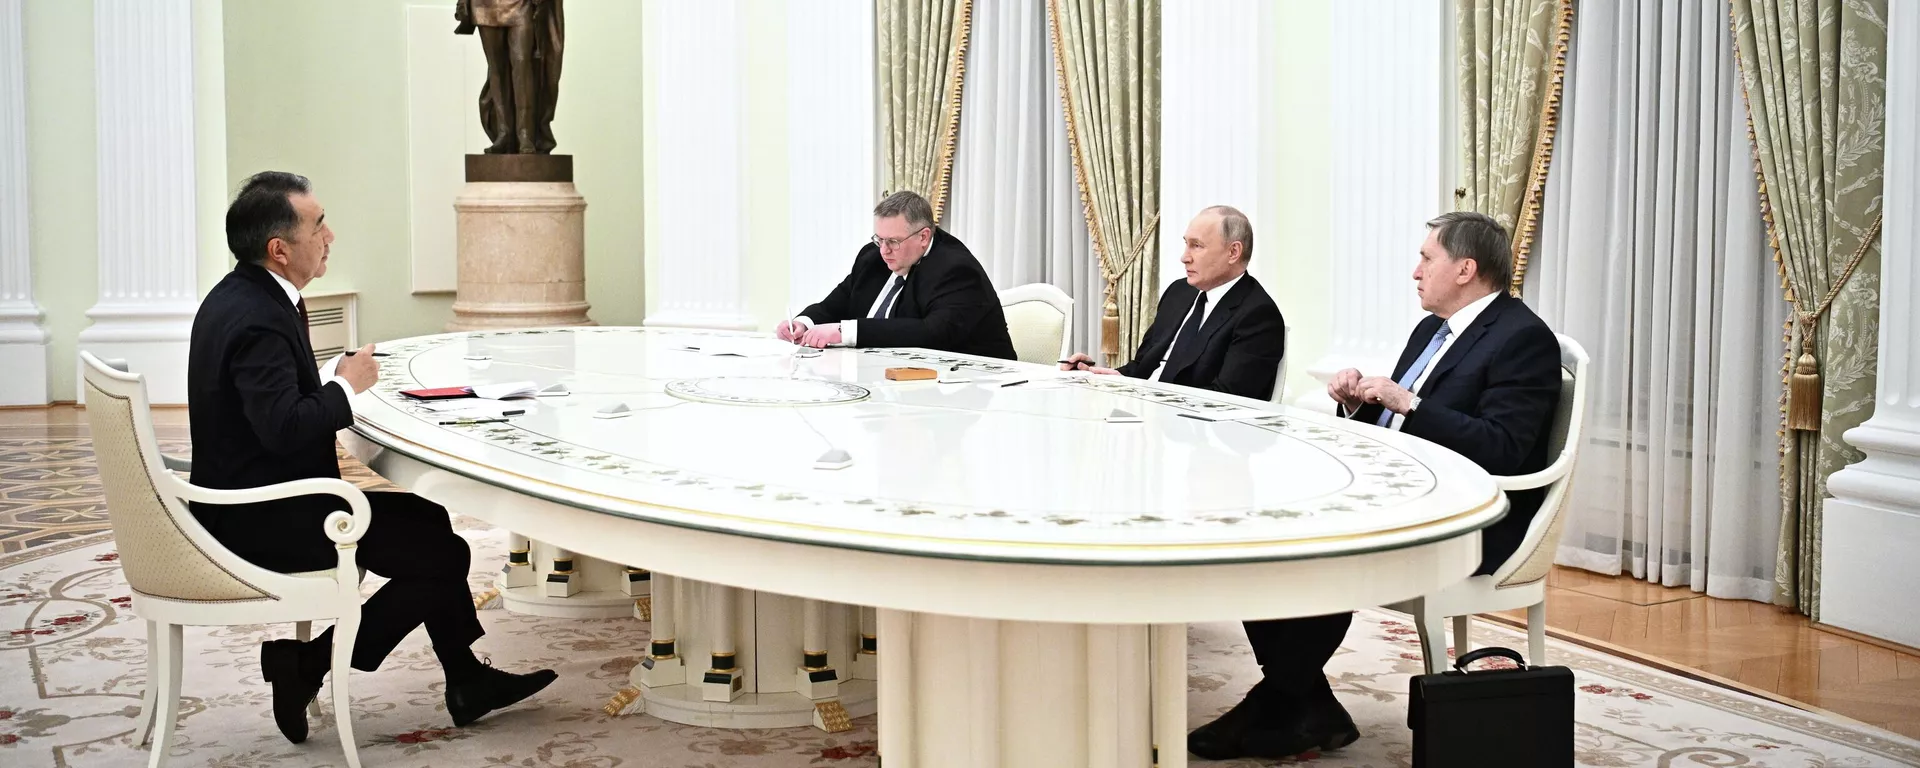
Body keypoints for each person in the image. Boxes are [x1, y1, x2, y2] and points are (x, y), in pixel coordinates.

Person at [187, 171, 556, 744]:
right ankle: (306, 665)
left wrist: (330, 380)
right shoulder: (259, 317)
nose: (329, 235)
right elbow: (284, 428)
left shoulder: (246, 295)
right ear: (279, 249)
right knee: (442, 555)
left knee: (429, 520)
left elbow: (269, 407)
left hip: (255, 496)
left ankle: (465, 679)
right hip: (260, 518)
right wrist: (345, 386)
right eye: (318, 225)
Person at [1187, 211, 1563, 761]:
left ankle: (1277, 704)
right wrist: (1357, 403)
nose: (1416, 271)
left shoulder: (1523, 338)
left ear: (1465, 269)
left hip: (1472, 518)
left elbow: (1502, 447)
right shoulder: (1432, 329)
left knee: (1327, 551)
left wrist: (1407, 401)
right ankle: (1303, 702)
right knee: (1263, 533)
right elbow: (1400, 427)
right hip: (1407, 493)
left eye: (1426, 258)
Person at [1059, 206, 1284, 399]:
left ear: (1233, 252)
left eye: (1197, 246)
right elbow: (1143, 366)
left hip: (1189, 428)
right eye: (1186, 244)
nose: (1184, 257)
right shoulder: (1179, 292)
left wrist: (1146, 398)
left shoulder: (1258, 315)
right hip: (1142, 408)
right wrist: (1102, 376)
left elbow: (1227, 401)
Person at [777, 191, 1017, 360]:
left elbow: (932, 333)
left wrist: (843, 332)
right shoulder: (873, 257)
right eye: (879, 239)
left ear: (923, 236)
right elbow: (837, 303)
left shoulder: (956, 269)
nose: (884, 250)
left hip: (974, 388)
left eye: (893, 241)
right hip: (889, 377)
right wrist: (803, 323)